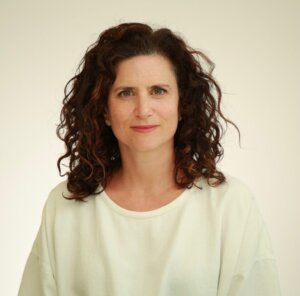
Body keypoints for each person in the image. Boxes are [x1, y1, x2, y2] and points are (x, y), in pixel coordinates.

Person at [18, 22, 281, 295]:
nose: (143, 109)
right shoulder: (65, 208)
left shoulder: (229, 205)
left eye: (158, 91)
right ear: (104, 110)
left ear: (182, 104)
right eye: (125, 93)